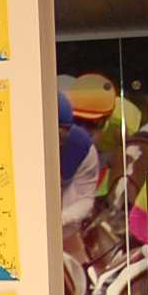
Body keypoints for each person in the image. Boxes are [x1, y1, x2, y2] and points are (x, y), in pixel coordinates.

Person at [58, 91, 99, 239]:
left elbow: (85, 199)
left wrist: (61, 218)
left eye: (63, 135)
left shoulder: (82, 147)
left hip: (61, 230)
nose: (59, 142)